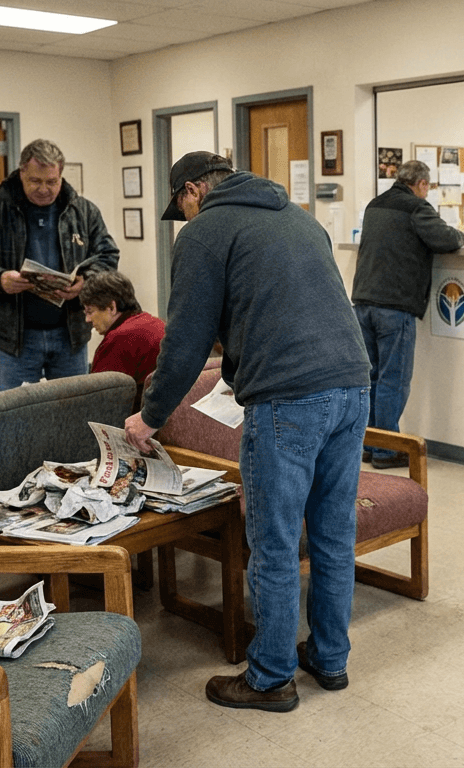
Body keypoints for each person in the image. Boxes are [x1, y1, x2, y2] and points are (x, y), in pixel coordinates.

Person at [125, 151, 370, 714]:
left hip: (288, 397)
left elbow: (184, 340)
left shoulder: (205, 232)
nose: (183, 220)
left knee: (275, 541)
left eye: (180, 208)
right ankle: (330, 659)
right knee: (333, 533)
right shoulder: (300, 215)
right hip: (353, 385)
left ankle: (269, 678)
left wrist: (151, 414)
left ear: (192, 191)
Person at [0, 139, 119, 391]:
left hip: (70, 333)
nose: (44, 189)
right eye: (35, 181)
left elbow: (108, 255)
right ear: (21, 173)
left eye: (52, 182)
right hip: (16, 339)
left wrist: (86, 282)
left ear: (61, 175)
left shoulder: (83, 211)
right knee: (15, 416)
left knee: (72, 411)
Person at [351, 158, 464, 469]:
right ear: (422, 185)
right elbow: (447, 239)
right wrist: (462, 235)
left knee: (371, 377)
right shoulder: (416, 207)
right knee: (393, 380)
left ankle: (370, 444)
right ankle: (387, 450)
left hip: (362, 302)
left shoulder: (375, 205)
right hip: (394, 306)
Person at [81, 270, 165, 406]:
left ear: (111, 307)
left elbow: (96, 401)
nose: (87, 319)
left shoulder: (118, 340)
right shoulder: (158, 323)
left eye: (90, 311)